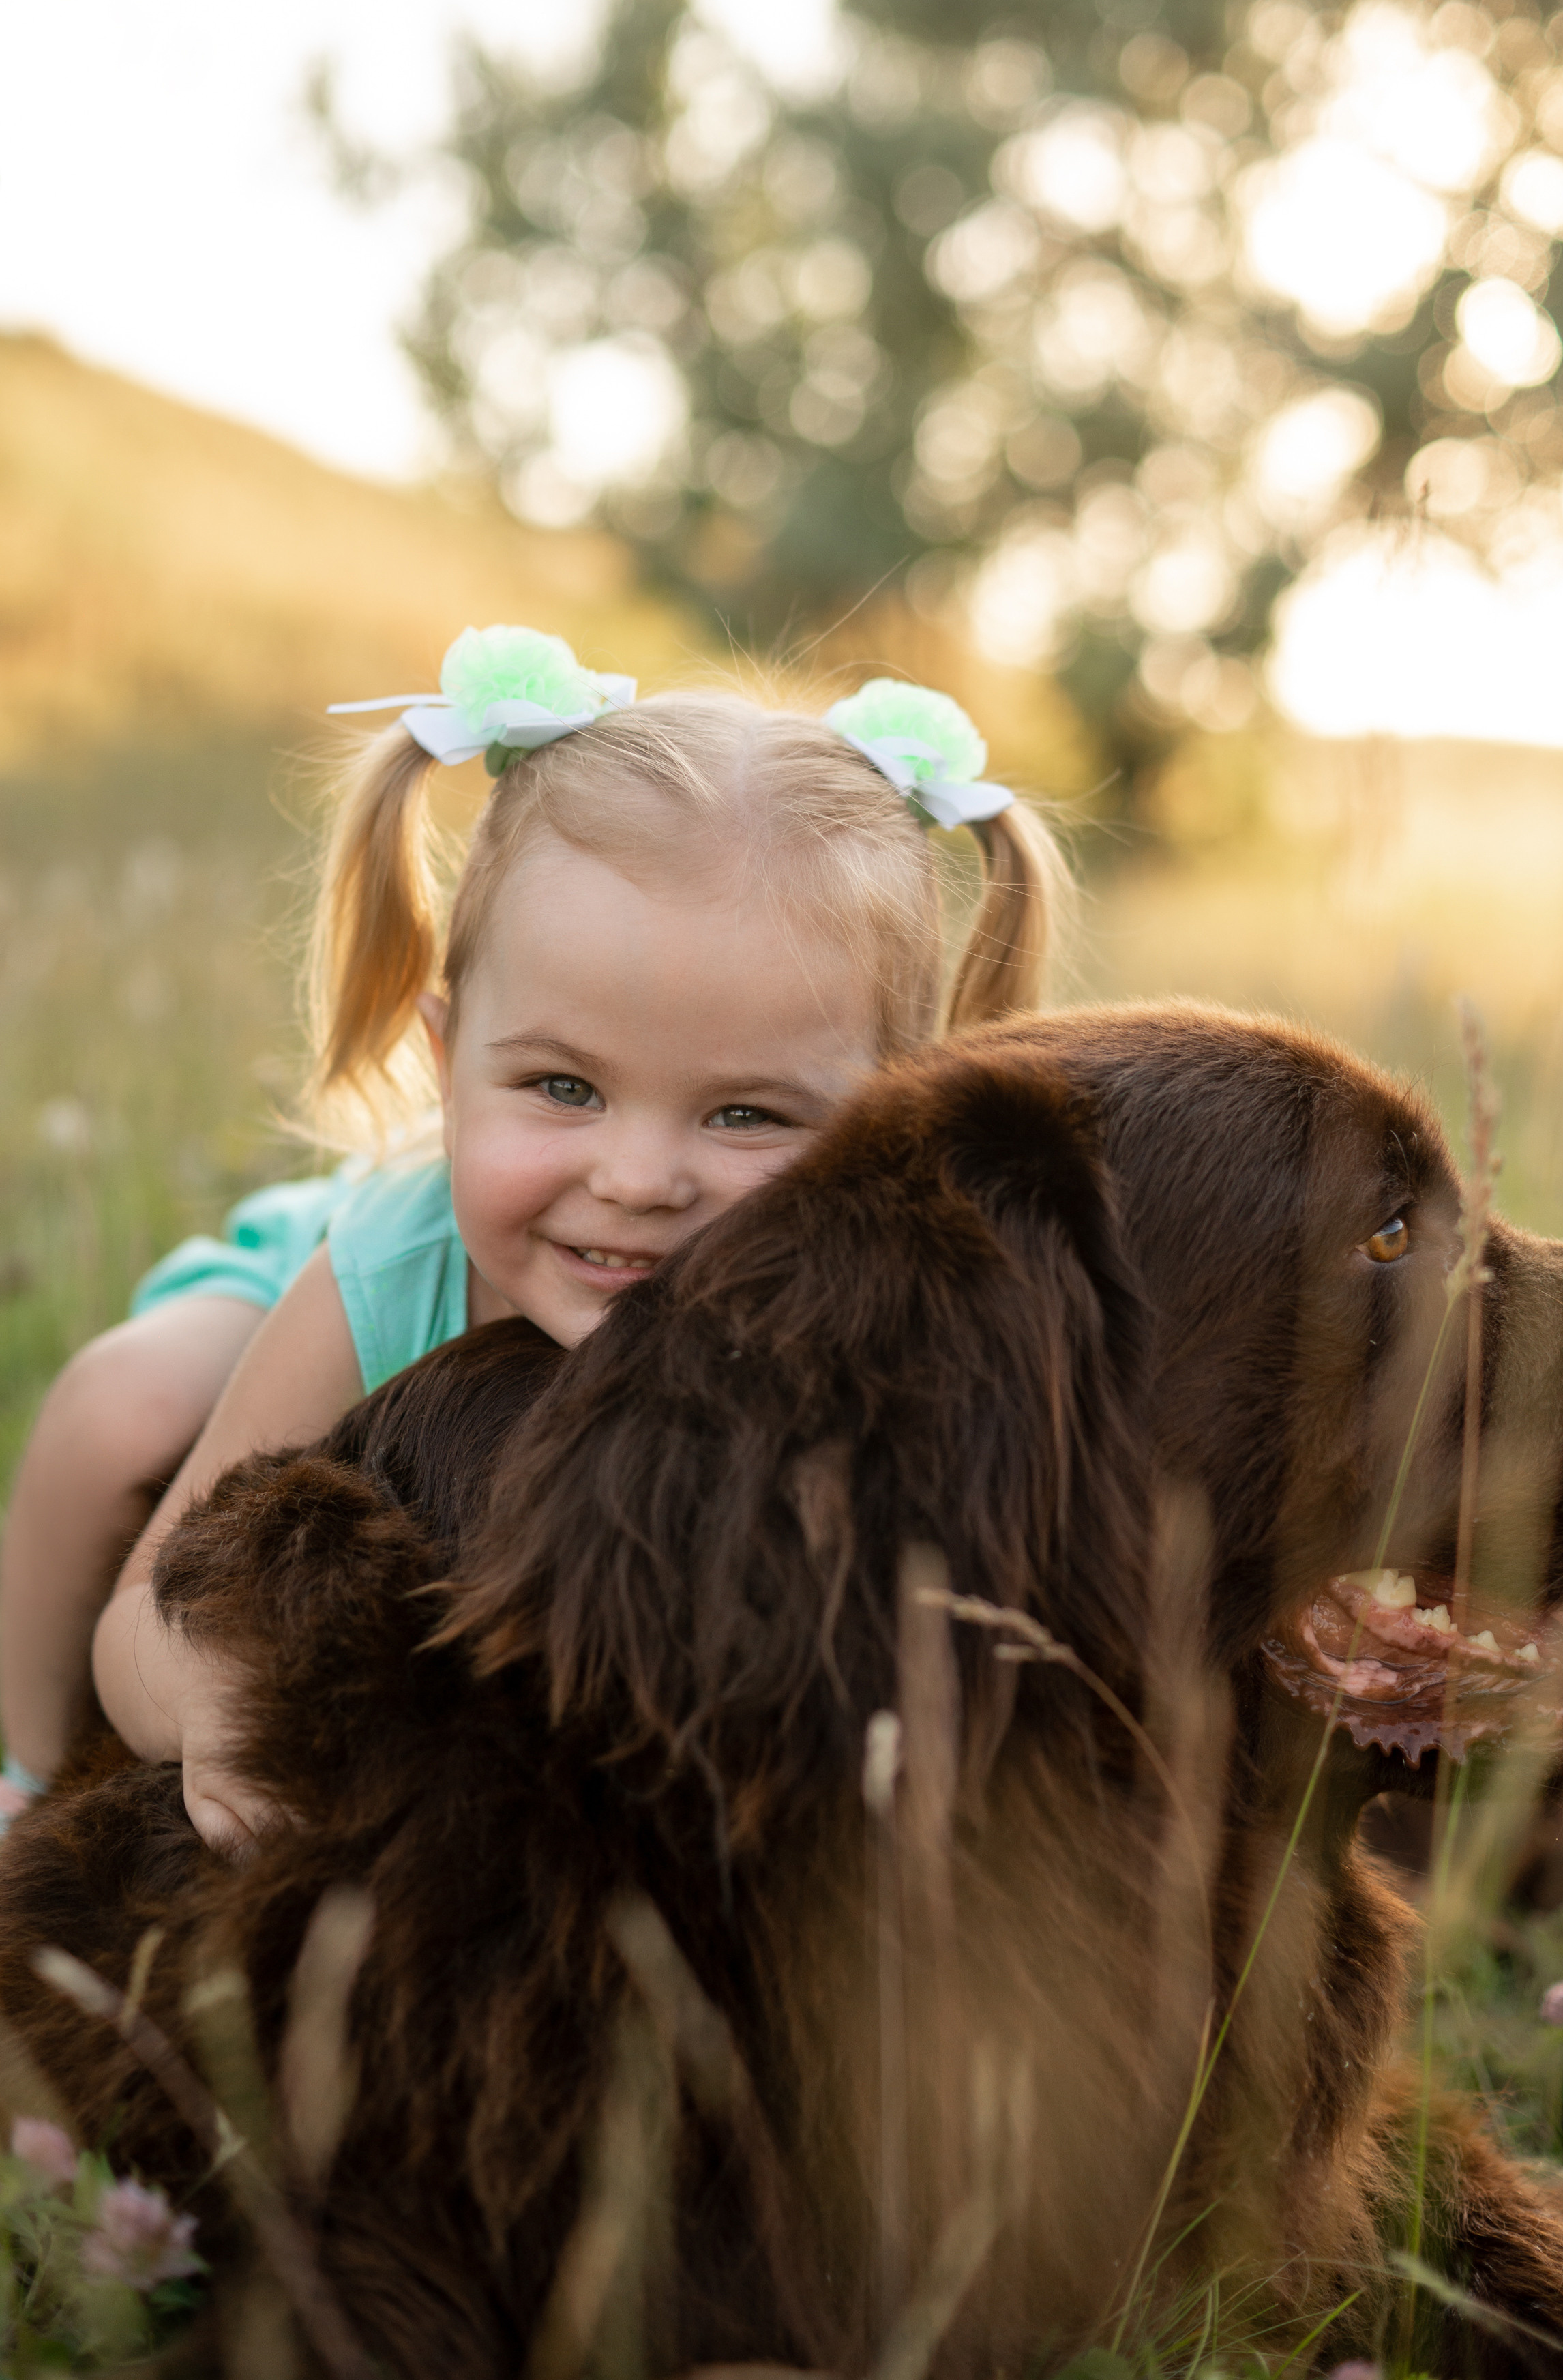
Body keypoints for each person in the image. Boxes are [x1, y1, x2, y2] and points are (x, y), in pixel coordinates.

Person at [0, 628, 1064, 1849]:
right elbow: (143, 1616)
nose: (639, 1180)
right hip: (317, 1257)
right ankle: (31, 1781)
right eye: (564, 1088)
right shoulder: (389, 1273)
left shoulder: (886, 1305)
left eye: (747, 1115)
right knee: (117, 1414)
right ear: (449, 1068)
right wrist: (203, 1694)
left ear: (889, 1121)